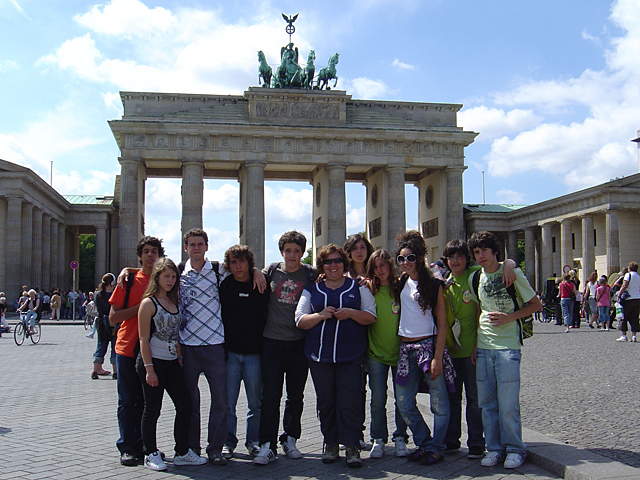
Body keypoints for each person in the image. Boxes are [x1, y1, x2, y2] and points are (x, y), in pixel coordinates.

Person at [178, 229, 265, 465]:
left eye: (200, 244)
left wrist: (257, 270)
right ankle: (192, 448)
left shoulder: (219, 271)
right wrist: (127, 270)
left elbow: (244, 269)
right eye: (192, 244)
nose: (196, 248)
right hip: (188, 345)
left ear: (207, 246)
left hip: (215, 345)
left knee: (220, 401)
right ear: (185, 247)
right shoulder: (177, 273)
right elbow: (153, 275)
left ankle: (216, 447)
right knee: (190, 401)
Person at [296, 244, 376, 468]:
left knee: (350, 402)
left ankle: (352, 445)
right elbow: (300, 320)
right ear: (322, 265)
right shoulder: (312, 288)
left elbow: (371, 316)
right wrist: (320, 315)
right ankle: (330, 442)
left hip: (351, 355)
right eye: (328, 261)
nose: (333, 265)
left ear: (344, 263)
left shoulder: (357, 286)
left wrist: (351, 313)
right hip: (319, 355)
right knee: (327, 401)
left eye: (337, 261)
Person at [468, 231, 541, 470]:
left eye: (484, 251)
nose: (481, 256)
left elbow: (535, 304)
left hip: (508, 346)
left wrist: (510, 317)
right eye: (477, 252)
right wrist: (476, 345)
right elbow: (481, 311)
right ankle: (494, 448)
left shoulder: (512, 272)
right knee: (487, 403)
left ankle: (515, 448)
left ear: (495, 251)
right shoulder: (475, 278)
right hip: (484, 346)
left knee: (508, 403)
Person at [136, 257, 207, 471]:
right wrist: (149, 370)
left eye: (173, 276)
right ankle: (150, 453)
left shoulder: (173, 301)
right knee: (153, 409)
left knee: (185, 405)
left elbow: (176, 334)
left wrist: (180, 358)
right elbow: (143, 339)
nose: (170, 280)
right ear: (157, 277)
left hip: (171, 362)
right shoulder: (148, 303)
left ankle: (182, 452)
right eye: (166, 276)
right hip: (153, 363)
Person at [394, 231, 455, 467]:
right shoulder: (400, 283)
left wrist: (437, 357)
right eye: (401, 259)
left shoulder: (433, 285)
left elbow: (441, 323)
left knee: (438, 403)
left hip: (428, 347)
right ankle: (424, 441)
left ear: (419, 258)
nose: (405, 263)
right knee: (404, 402)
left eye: (409, 258)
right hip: (406, 348)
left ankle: (437, 447)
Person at [254, 231, 315, 465]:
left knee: (295, 396)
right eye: (288, 250)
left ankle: (290, 438)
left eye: (297, 251)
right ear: (282, 252)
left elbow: (334, 277)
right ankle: (266, 444)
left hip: (299, 343)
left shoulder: (310, 274)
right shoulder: (271, 272)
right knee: (270, 395)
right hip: (272, 342)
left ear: (302, 253)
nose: (292, 255)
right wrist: (252, 270)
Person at [109, 235, 163, 466]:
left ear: (159, 255)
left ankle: (145, 445)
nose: (150, 255)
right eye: (146, 251)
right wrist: (141, 309)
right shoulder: (128, 281)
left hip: (154, 351)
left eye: (154, 251)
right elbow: (113, 317)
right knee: (127, 400)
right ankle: (128, 446)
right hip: (127, 347)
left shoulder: (165, 280)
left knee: (147, 402)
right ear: (140, 256)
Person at [219, 245, 269, 459]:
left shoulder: (261, 283)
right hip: (230, 354)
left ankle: (253, 441)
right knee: (228, 403)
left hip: (255, 354)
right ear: (228, 265)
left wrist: (258, 272)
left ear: (249, 262)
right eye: (233, 262)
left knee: (255, 403)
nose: (238, 266)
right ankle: (228, 442)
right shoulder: (224, 285)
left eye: (242, 261)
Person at [364, 249, 409, 459]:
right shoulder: (368, 289)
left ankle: (401, 437)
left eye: (383, 265)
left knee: (402, 399)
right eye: (375, 266)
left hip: (401, 353)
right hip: (376, 354)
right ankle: (378, 439)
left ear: (391, 266)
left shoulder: (402, 288)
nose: (380, 270)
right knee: (377, 399)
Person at [91, 274, 117, 380]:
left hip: (101, 323)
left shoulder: (97, 294)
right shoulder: (114, 294)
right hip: (113, 322)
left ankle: (95, 370)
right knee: (114, 347)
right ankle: (116, 371)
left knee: (101, 345)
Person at [615, 262, 640, 342]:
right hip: (637, 298)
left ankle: (624, 335)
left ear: (629, 268)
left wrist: (619, 295)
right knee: (635, 317)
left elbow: (624, 285)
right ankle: (634, 336)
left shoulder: (628, 275)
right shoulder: (638, 276)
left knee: (623, 316)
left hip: (628, 299)